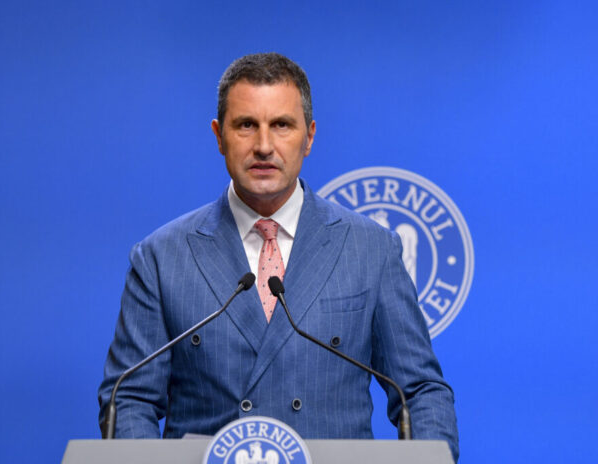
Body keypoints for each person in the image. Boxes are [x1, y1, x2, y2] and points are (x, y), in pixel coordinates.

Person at [98, 52, 459, 461]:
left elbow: (420, 392)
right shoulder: (161, 258)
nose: (264, 146)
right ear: (218, 136)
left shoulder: (371, 250)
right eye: (246, 125)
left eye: (282, 125)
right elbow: (129, 400)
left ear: (310, 136)